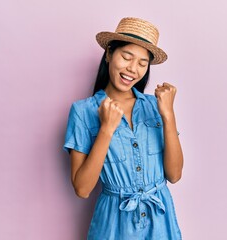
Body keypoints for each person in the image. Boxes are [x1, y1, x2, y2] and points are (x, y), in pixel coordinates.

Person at [63, 17, 183, 240]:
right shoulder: (82, 111)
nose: (132, 69)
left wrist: (168, 116)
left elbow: (174, 175)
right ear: (109, 54)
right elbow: (82, 189)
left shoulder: (154, 107)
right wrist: (107, 129)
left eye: (142, 63)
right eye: (126, 57)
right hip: (114, 226)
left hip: (161, 223)